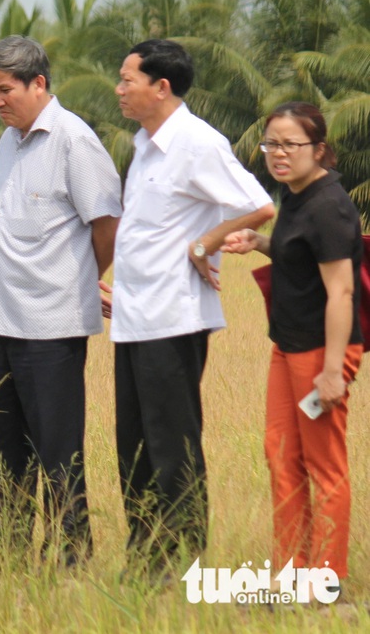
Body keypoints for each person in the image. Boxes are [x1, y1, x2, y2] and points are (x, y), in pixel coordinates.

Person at [110, 39, 274, 578]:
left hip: (174, 319)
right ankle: (144, 554)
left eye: (127, 80)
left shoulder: (197, 142)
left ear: (162, 87)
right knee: (132, 444)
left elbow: (258, 203)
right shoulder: (145, 141)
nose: (119, 89)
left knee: (171, 443)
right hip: (135, 319)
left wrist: (206, 243)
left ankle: (181, 561)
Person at [0, 36, 122, 571]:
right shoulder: (8, 143)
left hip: (53, 324)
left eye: (5, 90)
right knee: (1, 444)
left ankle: (72, 553)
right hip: (2, 319)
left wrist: (84, 277)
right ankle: (9, 548)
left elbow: (106, 224)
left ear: (39, 84)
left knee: (57, 447)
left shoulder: (73, 141)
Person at [222, 102, 360, 591]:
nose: (278, 154)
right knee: (280, 456)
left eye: (290, 144)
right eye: (271, 144)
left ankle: (327, 577)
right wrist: (258, 242)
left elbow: (342, 291)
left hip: (321, 353)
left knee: (323, 464)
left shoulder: (328, 205)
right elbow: (299, 257)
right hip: (288, 345)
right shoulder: (296, 194)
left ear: (318, 148)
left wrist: (332, 371)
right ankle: (291, 573)